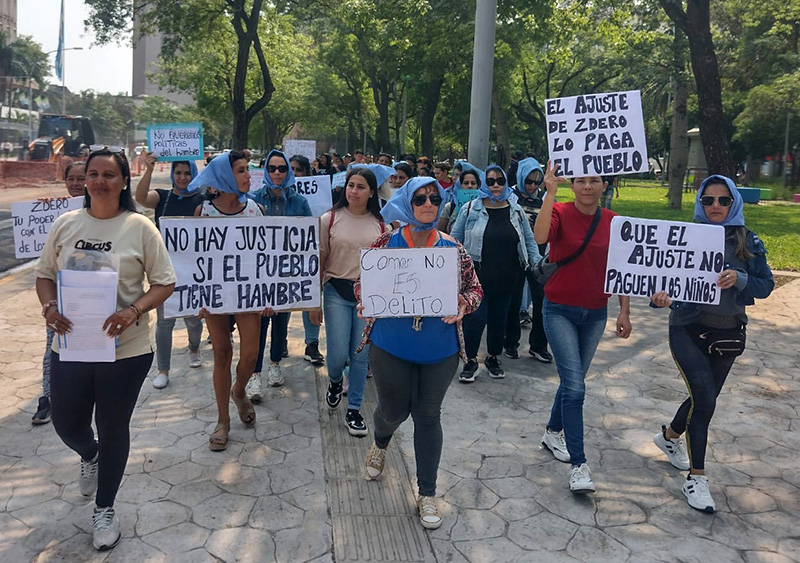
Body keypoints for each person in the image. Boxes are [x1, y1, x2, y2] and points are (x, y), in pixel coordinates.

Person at [36, 148, 176, 550]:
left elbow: (164, 283)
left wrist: (133, 311)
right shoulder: (65, 224)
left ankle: (105, 507)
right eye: (92, 174)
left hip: (126, 351)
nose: (99, 182)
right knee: (67, 424)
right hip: (72, 346)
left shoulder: (140, 227)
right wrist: (48, 307)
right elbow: (44, 275)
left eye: (108, 175)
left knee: (114, 428)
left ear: (123, 181)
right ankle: (89, 454)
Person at [357, 176, 483, 530]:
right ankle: (380, 441)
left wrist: (465, 302)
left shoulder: (453, 248)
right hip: (391, 345)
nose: (428, 204)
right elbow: (361, 282)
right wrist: (363, 301)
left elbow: (475, 288)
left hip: (438, 349)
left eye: (433, 198)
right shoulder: (386, 243)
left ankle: (427, 492)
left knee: (428, 415)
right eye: (419, 199)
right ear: (407, 203)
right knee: (392, 410)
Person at [649, 174, 773, 513]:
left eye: (723, 200)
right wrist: (660, 299)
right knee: (705, 401)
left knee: (702, 397)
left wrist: (741, 278)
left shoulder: (749, 241)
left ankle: (670, 437)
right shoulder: (684, 238)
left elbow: (766, 285)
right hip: (687, 329)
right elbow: (661, 283)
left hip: (729, 333)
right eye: (708, 200)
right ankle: (697, 477)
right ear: (699, 203)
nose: (715, 206)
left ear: (734, 202)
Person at [533, 161, 632, 494]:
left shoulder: (615, 221)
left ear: (605, 185)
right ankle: (579, 465)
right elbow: (541, 236)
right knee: (575, 388)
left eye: (594, 180)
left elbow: (623, 269)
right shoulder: (559, 210)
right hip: (558, 309)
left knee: (571, 382)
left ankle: (552, 431)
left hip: (595, 314)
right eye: (580, 181)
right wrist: (549, 193)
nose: (587, 186)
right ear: (571, 185)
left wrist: (624, 311)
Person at [192, 151, 265, 451]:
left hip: (248, 294)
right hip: (215, 296)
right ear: (223, 178)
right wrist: (194, 297)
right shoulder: (202, 213)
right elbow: (192, 260)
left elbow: (266, 256)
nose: (249, 176)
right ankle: (223, 420)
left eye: (247, 169)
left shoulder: (255, 210)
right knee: (221, 353)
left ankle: (239, 390)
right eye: (241, 171)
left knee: (250, 354)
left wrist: (270, 292)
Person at [313, 168, 385, 435]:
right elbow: (319, 261)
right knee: (337, 355)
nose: (354, 191)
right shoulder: (329, 219)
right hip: (335, 292)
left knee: (360, 355)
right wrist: (314, 303)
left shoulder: (380, 225)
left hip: (367, 298)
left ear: (372, 192)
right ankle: (334, 381)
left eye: (361, 187)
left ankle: (354, 409)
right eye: (350, 185)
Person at [451, 165, 540, 382]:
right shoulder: (470, 209)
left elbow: (528, 240)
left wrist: (536, 264)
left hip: (508, 276)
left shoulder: (515, 210)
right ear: (484, 184)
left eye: (500, 180)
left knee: (499, 319)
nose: (496, 185)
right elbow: (455, 240)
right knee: (475, 320)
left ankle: (492, 357)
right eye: (490, 181)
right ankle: (471, 361)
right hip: (478, 278)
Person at [134, 153, 206, 389]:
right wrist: (149, 170)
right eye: (178, 173)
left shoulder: (202, 198)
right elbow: (141, 198)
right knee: (164, 322)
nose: (182, 177)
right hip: (165, 270)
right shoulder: (162, 197)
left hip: (194, 270)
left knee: (194, 319)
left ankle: (194, 347)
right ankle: (163, 368)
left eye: (187, 173)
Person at [245, 149, 313, 398]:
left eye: (282, 169)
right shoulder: (253, 200)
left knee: (281, 323)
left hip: (286, 275)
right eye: (272, 168)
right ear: (265, 170)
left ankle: (274, 366)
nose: (276, 173)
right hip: (259, 274)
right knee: (258, 324)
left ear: (288, 172)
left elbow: (307, 239)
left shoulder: (299, 202)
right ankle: (255, 374)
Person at [33, 160, 87, 426]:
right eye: (72, 179)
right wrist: (40, 211)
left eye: (81, 178)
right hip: (60, 294)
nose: (76, 184)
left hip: (91, 295)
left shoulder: (101, 208)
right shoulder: (54, 212)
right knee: (52, 346)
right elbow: (43, 266)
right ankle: (49, 398)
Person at [505, 157, 551, 363]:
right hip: (513, 254)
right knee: (513, 301)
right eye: (528, 181)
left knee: (542, 302)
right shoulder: (510, 195)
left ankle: (539, 345)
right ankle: (510, 343)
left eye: (536, 182)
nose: (532, 186)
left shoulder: (545, 198)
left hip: (538, 255)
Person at [287, 154, 325, 366]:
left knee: (309, 295)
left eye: (297, 170)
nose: (293, 174)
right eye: (289, 169)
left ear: (306, 174)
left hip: (307, 253)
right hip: (281, 256)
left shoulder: (312, 196)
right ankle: (279, 343)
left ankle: (311, 343)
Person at [437, 162, 483, 234]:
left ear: (478, 186)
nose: (470, 186)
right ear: (460, 185)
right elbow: (440, 233)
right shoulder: (449, 207)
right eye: (466, 183)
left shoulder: (484, 207)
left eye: (473, 183)